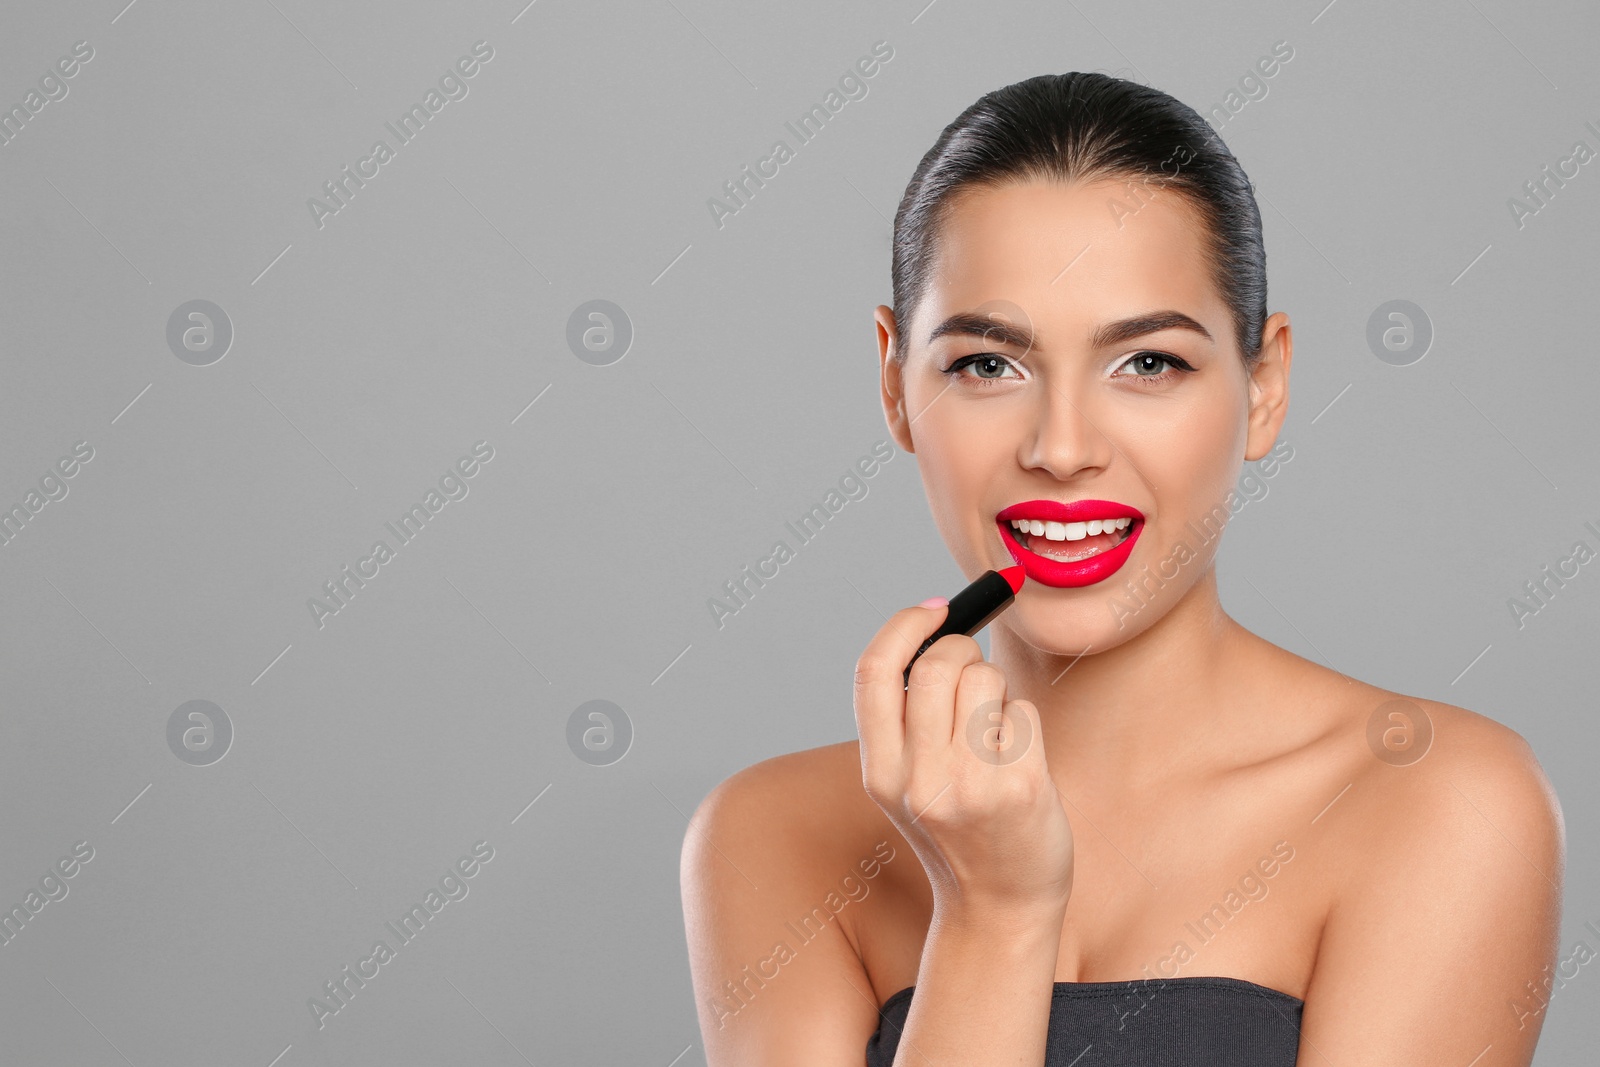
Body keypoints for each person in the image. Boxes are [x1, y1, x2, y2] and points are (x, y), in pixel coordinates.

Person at [681, 71, 1564, 1066]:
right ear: (894, 384)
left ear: (1264, 387)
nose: (1062, 448)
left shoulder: (1437, 799)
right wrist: (993, 912)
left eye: (1147, 363)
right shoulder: (772, 836)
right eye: (986, 363)